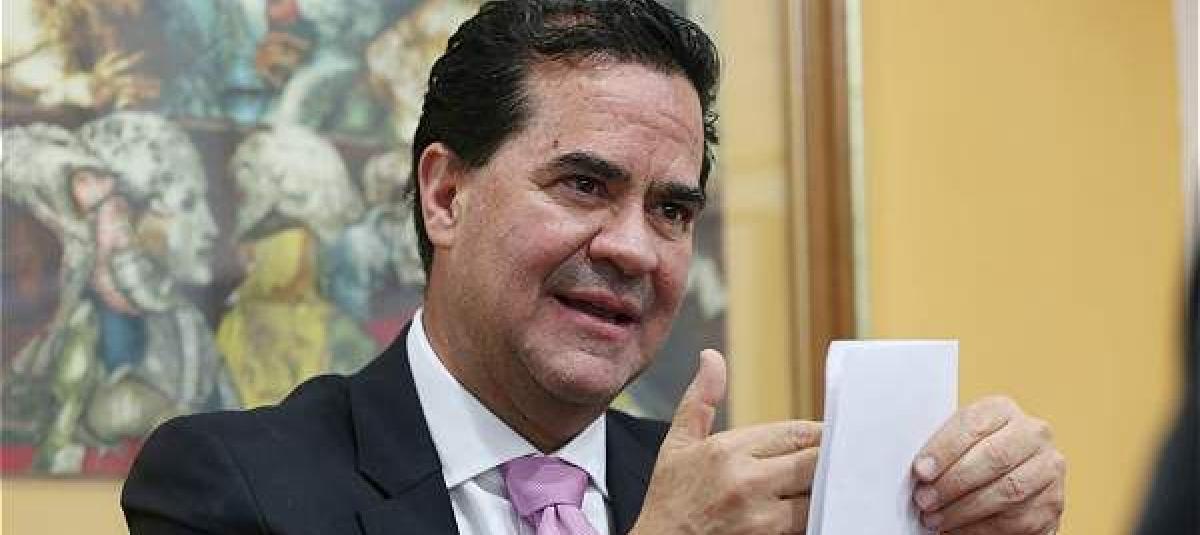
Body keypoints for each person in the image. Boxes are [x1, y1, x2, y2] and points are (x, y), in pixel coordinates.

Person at [121, 1, 1066, 533]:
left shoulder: (741, 502)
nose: (633, 248)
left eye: (671, 209)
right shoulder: (231, 488)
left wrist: (978, 508)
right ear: (445, 195)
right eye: (583, 184)